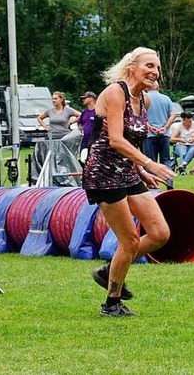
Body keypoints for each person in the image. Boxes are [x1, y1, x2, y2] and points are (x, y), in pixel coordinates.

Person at [82, 47, 174, 317]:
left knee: (160, 233)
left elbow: (132, 140)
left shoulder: (145, 101)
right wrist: (149, 163)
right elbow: (116, 139)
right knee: (130, 241)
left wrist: (140, 170)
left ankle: (110, 269)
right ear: (131, 67)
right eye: (149, 65)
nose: (154, 72)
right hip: (103, 174)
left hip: (128, 172)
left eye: (157, 67)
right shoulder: (114, 92)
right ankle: (111, 303)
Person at [143, 81, 177, 186]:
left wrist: (150, 126)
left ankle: (152, 184)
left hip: (149, 134)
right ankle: (169, 181)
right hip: (164, 135)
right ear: (158, 87)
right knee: (166, 159)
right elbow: (173, 114)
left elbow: (140, 115)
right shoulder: (166, 99)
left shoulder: (143, 98)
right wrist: (165, 127)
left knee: (150, 160)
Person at [77, 91, 97, 164]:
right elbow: (80, 123)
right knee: (83, 159)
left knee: (93, 160)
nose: (83, 100)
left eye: (85, 98)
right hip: (85, 139)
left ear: (91, 98)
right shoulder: (84, 112)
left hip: (95, 139)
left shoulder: (98, 111)